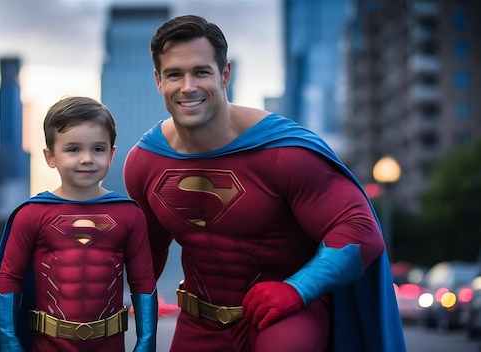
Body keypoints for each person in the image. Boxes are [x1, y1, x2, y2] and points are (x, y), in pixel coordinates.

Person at [123, 15, 406, 352]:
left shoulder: (283, 153)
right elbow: (145, 257)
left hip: (285, 314)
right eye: (174, 74)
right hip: (200, 320)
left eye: (201, 71)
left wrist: (296, 289)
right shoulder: (145, 162)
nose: (188, 86)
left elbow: (360, 232)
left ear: (225, 74)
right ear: (158, 80)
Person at [0, 96, 158, 352]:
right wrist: (10, 343)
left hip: (109, 344)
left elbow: (143, 281)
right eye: (73, 149)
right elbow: (9, 278)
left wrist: (146, 342)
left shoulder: (129, 214)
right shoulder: (32, 214)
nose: (87, 158)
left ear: (111, 154)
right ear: (50, 156)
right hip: (48, 345)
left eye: (98, 149)